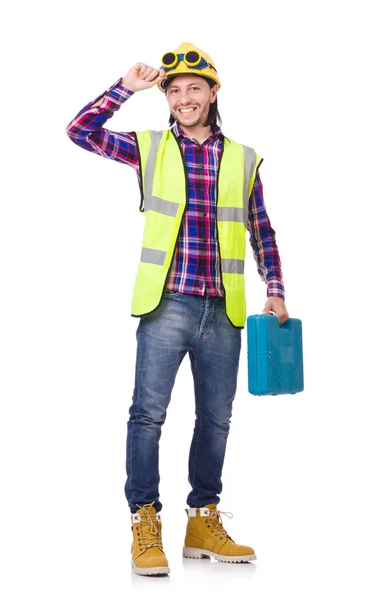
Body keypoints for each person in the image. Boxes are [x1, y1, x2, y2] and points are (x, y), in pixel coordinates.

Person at [66, 41, 289, 577]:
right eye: (174, 91)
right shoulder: (149, 148)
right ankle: (145, 521)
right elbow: (80, 132)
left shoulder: (243, 157)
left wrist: (275, 287)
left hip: (225, 310)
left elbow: (261, 228)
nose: (184, 98)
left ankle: (202, 520)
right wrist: (126, 87)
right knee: (148, 416)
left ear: (213, 93)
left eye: (194, 88)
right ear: (165, 99)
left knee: (216, 420)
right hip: (166, 304)